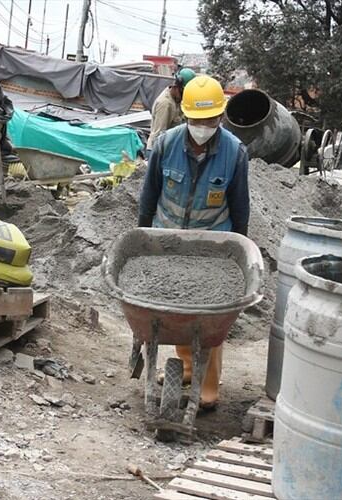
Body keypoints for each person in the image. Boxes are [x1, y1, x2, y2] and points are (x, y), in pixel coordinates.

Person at [138, 75, 250, 409]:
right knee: (175, 309)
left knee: (210, 317)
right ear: (186, 116)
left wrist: (238, 250)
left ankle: (208, 388)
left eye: (210, 119)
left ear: (220, 116)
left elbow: (240, 204)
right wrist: (142, 237)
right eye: (197, 120)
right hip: (169, 240)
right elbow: (149, 194)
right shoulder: (167, 144)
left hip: (212, 247)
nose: (203, 125)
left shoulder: (234, 152)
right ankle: (186, 367)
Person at [145, 67, 196, 155]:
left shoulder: (176, 99)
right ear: (177, 87)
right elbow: (159, 135)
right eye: (184, 93)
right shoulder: (165, 104)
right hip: (158, 151)